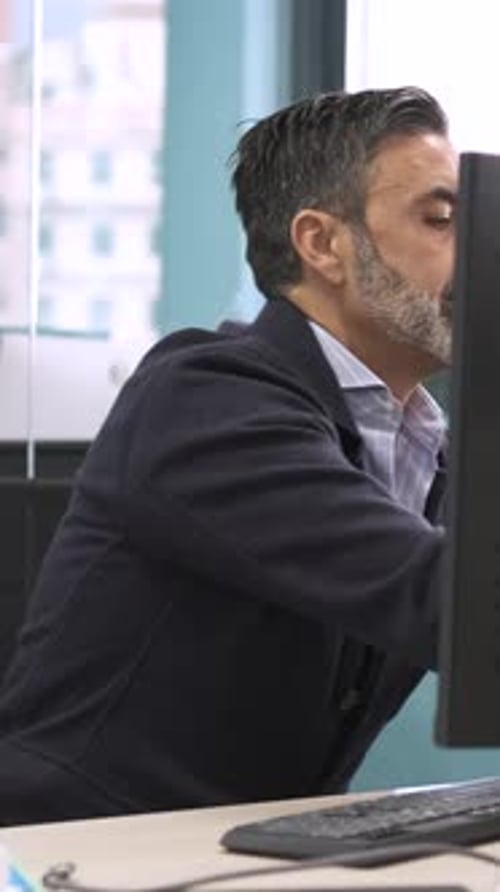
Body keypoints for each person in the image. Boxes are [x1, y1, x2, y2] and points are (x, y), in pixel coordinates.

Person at [0, 86, 456, 825]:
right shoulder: (206, 397)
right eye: (439, 220)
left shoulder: (429, 446)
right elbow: (441, 600)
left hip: (240, 852)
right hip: (76, 848)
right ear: (323, 244)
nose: (478, 253)